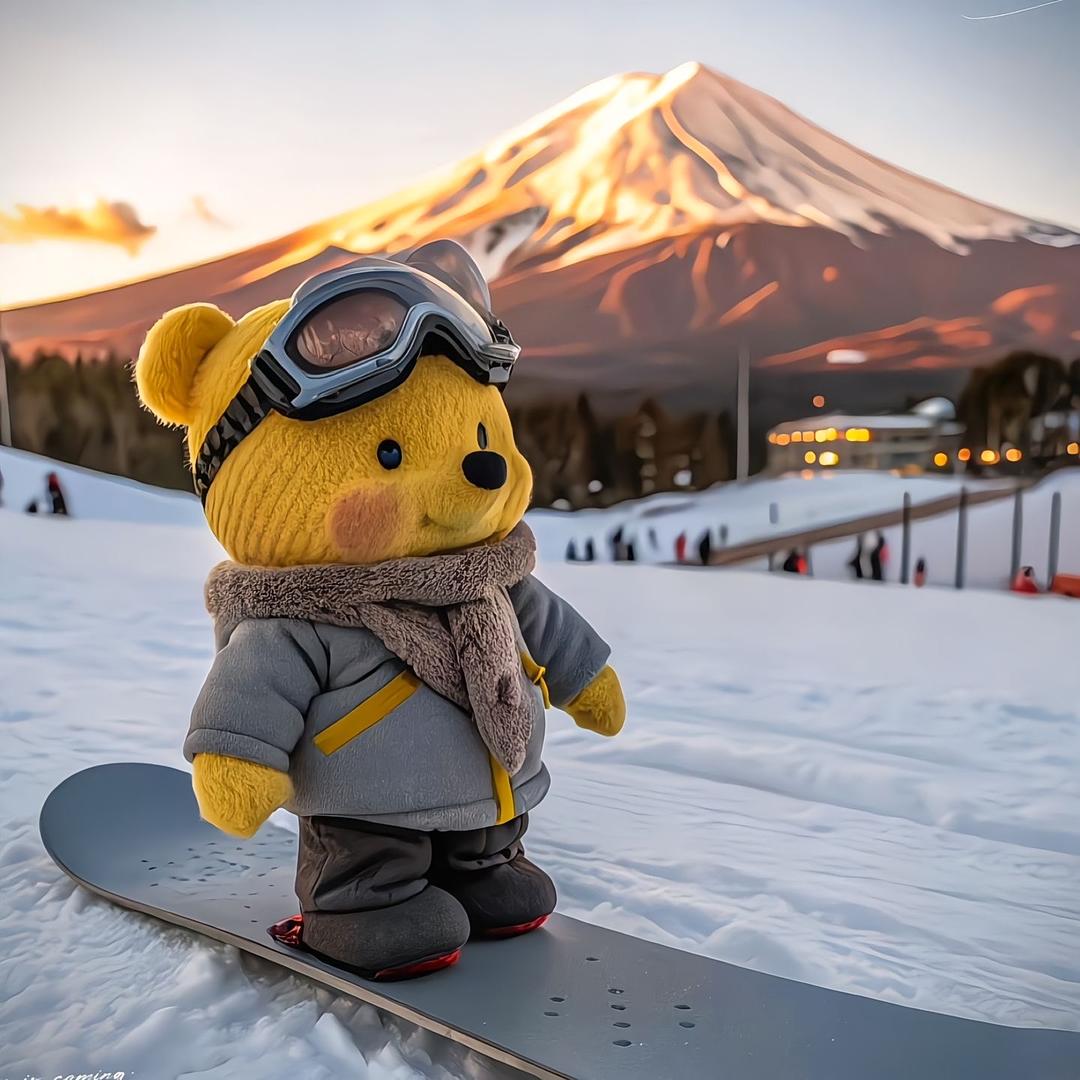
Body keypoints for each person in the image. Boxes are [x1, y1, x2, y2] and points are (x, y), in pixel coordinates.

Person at [134, 239, 628, 981]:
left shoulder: (488, 578)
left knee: (490, 840)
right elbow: (252, 692)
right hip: (363, 810)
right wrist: (236, 758)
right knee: (371, 860)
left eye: (483, 437)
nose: (484, 468)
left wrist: (587, 679)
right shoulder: (302, 619)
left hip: (492, 790)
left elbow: (551, 630)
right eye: (391, 454)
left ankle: (481, 869)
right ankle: (360, 905)